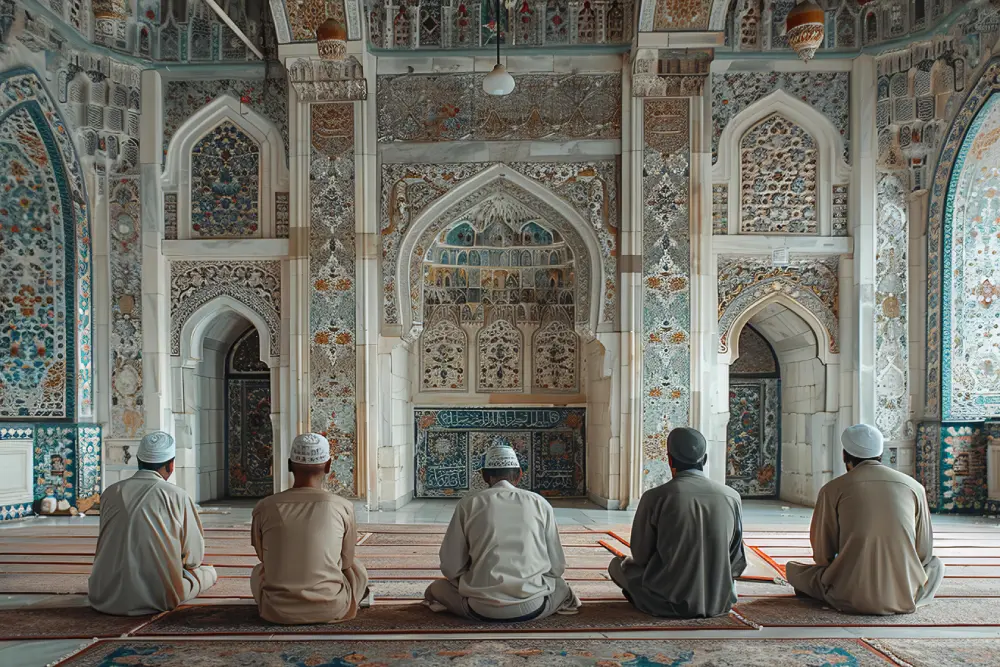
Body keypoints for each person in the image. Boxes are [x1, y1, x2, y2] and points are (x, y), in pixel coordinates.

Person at [786, 424, 944, 615]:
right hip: (903, 595)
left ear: (845, 456)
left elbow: (822, 554)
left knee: (794, 571)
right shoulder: (914, 487)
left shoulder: (834, 489)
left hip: (848, 595)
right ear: (881, 453)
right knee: (936, 566)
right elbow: (924, 553)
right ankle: (906, 597)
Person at [424, 443, 581, 622]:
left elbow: (451, 567)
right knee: (561, 586)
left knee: (438, 587)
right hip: (533, 606)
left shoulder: (469, 504)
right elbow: (557, 567)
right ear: (520, 474)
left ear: (484, 476)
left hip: (480, 607)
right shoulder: (540, 503)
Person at [608, 427, 746, 618]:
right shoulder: (732, 497)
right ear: (704, 460)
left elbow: (640, 556)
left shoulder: (656, 497)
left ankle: (650, 597)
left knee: (618, 565)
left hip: (667, 603)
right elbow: (737, 560)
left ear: (669, 460)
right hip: (719, 602)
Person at [89, 431, 217, 615]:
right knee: (208, 573)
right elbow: (194, 558)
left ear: (139, 461)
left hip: (103, 596)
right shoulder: (177, 496)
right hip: (158, 597)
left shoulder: (110, 492)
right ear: (171, 465)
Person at [251, 433, 370, 624]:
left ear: (289, 465)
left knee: (258, 571)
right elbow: (346, 562)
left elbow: (263, 557)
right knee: (357, 569)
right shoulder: (342, 506)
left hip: (276, 611)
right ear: (328, 465)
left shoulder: (265, 506)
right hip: (332, 607)